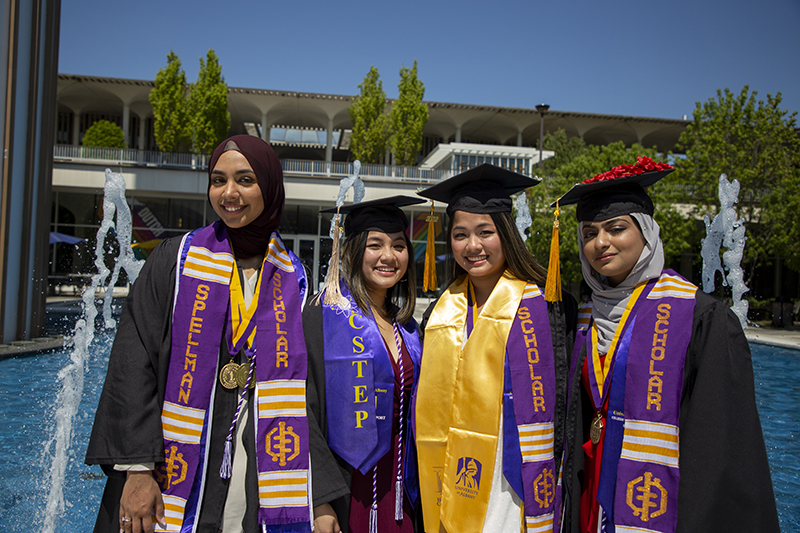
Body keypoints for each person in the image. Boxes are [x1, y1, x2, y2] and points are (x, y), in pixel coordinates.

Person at [85, 135, 314, 533]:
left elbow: (309, 390)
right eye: (217, 180)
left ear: (270, 187)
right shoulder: (174, 259)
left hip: (255, 471)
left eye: (245, 180)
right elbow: (132, 358)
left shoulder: (295, 278)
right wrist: (137, 469)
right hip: (165, 470)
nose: (229, 193)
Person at [554, 157, 780, 532]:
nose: (601, 242)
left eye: (616, 228)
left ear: (647, 233)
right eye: (590, 232)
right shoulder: (583, 316)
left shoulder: (699, 318)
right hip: (591, 486)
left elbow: (720, 440)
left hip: (659, 496)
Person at [414, 164, 578, 533]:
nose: (473, 246)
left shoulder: (548, 305)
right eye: (460, 235)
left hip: (514, 477)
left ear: (506, 233)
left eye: (485, 232)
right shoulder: (441, 310)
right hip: (451, 470)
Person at [304, 196, 425, 533]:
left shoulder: (409, 328)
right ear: (352, 250)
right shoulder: (323, 316)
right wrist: (319, 497)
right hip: (345, 489)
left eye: (399, 245)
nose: (389, 256)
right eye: (375, 244)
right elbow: (303, 410)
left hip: (402, 491)